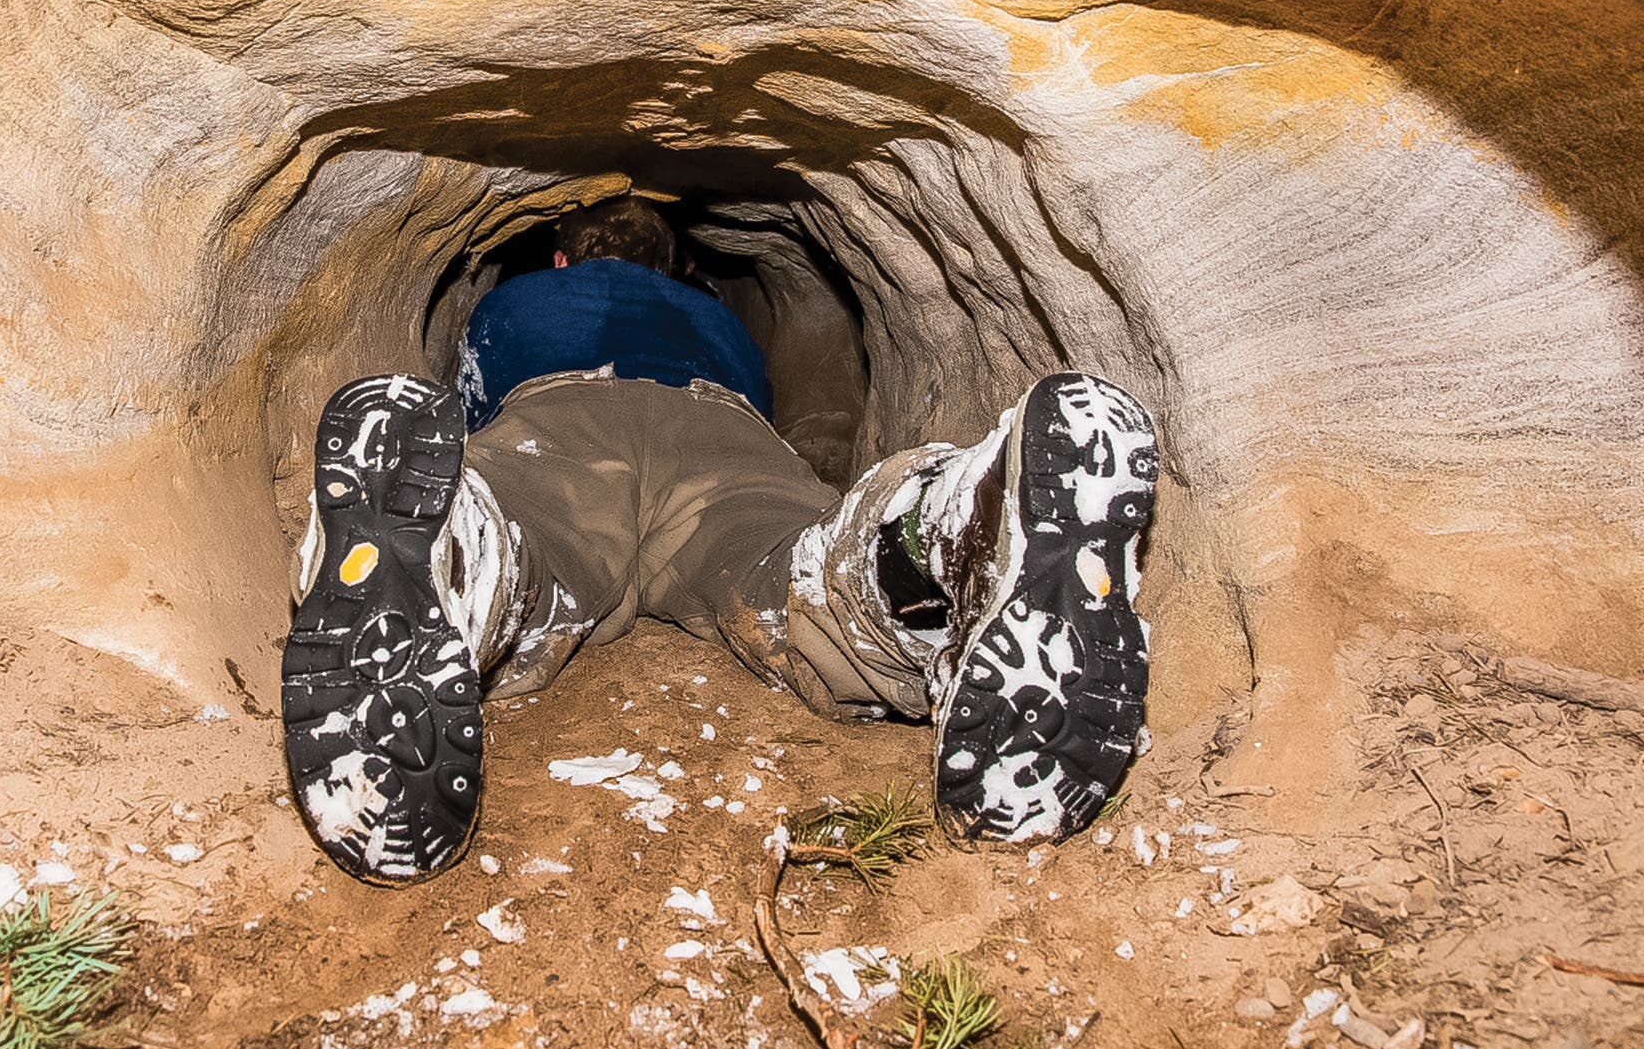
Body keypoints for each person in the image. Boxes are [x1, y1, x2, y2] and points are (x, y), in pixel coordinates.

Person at [281, 196, 1158, 884]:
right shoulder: (723, 328)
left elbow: (474, 401)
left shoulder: (517, 302)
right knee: (791, 564)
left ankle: (451, 555)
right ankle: (944, 535)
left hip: (564, 418)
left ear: (562, 258)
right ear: (684, 269)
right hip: (721, 428)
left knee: (528, 525)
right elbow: (772, 410)